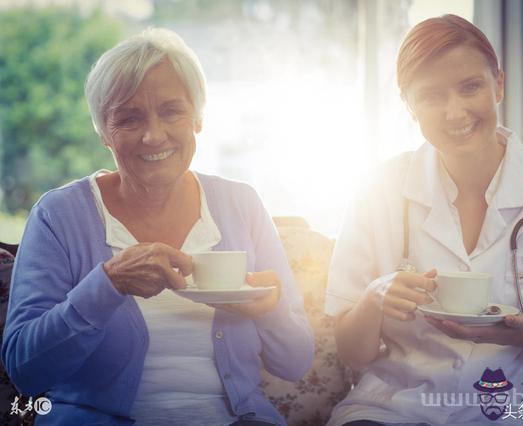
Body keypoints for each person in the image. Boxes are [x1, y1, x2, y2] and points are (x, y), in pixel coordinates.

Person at [324, 14, 523, 425]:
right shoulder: (376, 188)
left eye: (470, 87)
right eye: (431, 96)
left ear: (499, 84)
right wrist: (376, 297)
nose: (455, 112)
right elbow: (353, 353)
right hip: (390, 409)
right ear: (409, 106)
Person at [2, 28, 314, 425]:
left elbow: (296, 362)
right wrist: (108, 284)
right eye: (129, 118)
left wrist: (269, 311)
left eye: (171, 111)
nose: (154, 135)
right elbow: (25, 371)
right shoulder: (59, 215)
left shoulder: (242, 204)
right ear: (103, 132)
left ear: (197, 119)